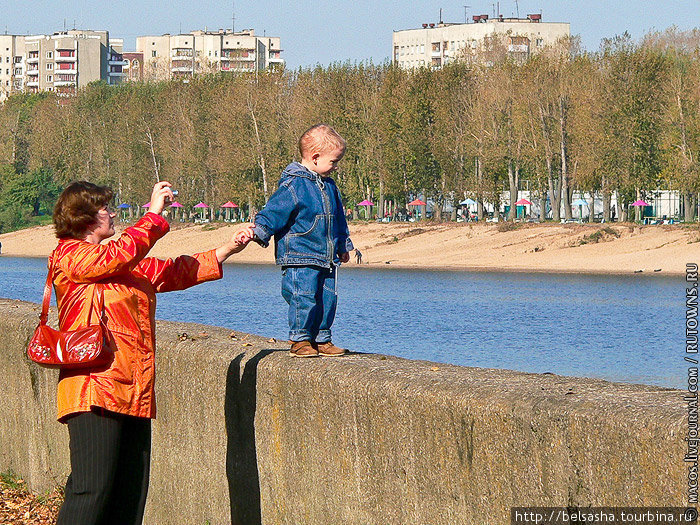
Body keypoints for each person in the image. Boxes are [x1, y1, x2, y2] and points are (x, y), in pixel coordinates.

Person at [52, 180, 250, 525]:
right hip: (93, 389)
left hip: (135, 390)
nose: (112, 214)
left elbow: (172, 271)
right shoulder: (69, 256)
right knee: (91, 491)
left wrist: (227, 249)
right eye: (105, 209)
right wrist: (152, 215)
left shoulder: (121, 264)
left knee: (129, 496)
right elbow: (113, 256)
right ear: (83, 217)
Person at [237, 124, 353, 358]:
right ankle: (300, 339)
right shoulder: (294, 185)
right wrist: (258, 231)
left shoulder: (330, 186)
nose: (336, 167)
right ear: (316, 157)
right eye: (334, 161)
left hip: (326, 256)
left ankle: (322, 338)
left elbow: (339, 219)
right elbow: (273, 212)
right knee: (303, 297)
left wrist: (343, 245)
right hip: (300, 255)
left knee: (327, 298)